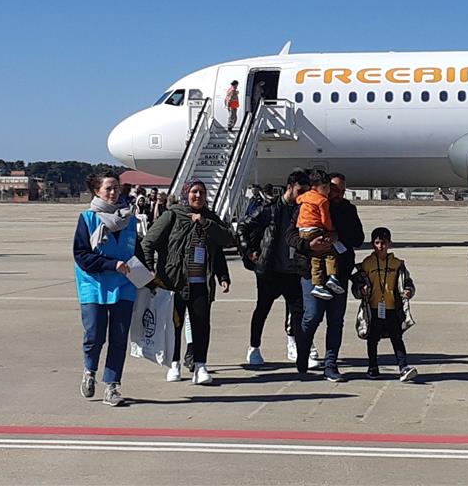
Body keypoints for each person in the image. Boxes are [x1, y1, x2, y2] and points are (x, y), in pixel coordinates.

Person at [141, 179, 234, 385]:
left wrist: (223, 276)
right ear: (186, 194)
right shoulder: (173, 215)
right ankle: (174, 363)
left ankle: (200, 365)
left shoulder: (210, 218)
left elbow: (224, 243)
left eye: (201, 192)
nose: (198, 196)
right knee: (174, 325)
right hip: (174, 283)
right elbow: (148, 242)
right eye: (194, 192)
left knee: (202, 325)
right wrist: (149, 271)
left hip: (201, 283)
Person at [73, 171, 152, 407]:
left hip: (124, 287)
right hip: (94, 287)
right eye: (108, 188)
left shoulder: (129, 221)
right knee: (94, 336)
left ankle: (112, 385)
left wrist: (149, 277)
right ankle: (89, 371)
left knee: (118, 339)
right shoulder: (87, 219)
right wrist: (111, 264)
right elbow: (81, 255)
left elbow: (136, 253)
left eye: (116, 188)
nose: (113, 192)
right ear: (97, 191)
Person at [286, 172, 365, 382]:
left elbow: (358, 238)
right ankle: (303, 350)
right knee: (312, 316)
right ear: (325, 188)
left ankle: (331, 364)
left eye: (342, 190)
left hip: (339, 273)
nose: (339, 194)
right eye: (335, 190)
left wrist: (338, 235)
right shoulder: (307, 205)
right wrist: (308, 245)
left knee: (336, 320)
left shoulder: (348, 209)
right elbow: (290, 235)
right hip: (311, 273)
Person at [237, 170, 311, 365]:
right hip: (269, 270)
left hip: (293, 270)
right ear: (289, 188)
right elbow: (243, 227)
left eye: (306, 191)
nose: (302, 195)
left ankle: (296, 347)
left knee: (298, 312)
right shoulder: (269, 209)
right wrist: (249, 250)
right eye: (299, 191)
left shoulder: (303, 210)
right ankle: (254, 347)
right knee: (262, 309)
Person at [352, 227, 418, 382]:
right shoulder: (366, 264)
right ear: (372, 244)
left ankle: (403, 367)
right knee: (372, 339)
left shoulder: (397, 264)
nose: (380, 246)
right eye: (377, 243)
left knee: (397, 338)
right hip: (373, 308)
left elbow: (407, 282)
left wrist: (409, 290)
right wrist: (362, 290)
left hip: (392, 308)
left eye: (384, 243)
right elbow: (356, 286)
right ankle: (373, 367)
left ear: (390, 244)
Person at [296, 170, 343, 300]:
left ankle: (317, 285)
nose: (327, 191)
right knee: (329, 253)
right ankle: (332, 277)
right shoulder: (322, 201)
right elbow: (325, 219)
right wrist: (331, 230)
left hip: (302, 230)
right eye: (326, 187)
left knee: (316, 258)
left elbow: (298, 200)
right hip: (315, 229)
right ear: (316, 187)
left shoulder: (304, 198)